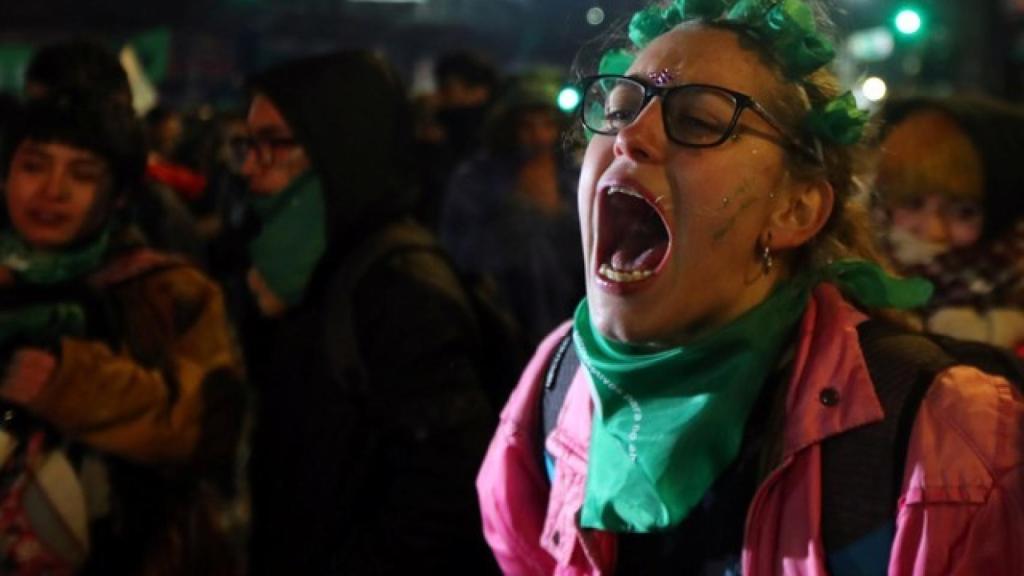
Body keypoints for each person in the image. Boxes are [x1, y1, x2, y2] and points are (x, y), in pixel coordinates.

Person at [476, 1, 1024, 574]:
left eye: (699, 122)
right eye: (616, 111)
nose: (629, 136)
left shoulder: (952, 438)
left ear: (795, 208)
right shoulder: (555, 381)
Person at [239, 51, 497, 574]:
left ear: (341, 147)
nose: (250, 166)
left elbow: (440, 494)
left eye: (278, 144)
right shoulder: (303, 266)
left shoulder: (400, 288)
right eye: (248, 144)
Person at [0, 93, 243, 573]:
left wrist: (72, 385)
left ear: (119, 197)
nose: (53, 190)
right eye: (33, 166)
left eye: (82, 175)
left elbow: (206, 427)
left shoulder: (168, 292)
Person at [441, 68, 585, 347]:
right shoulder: (475, 179)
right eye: (526, 126)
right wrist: (516, 210)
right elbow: (459, 252)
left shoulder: (573, 178)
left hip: (570, 322)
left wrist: (557, 211)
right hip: (498, 324)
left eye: (547, 125)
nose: (538, 137)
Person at [875, 95, 1024, 349]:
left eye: (964, 212)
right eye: (913, 203)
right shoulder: (858, 266)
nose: (933, 230)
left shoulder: (1012, 280)